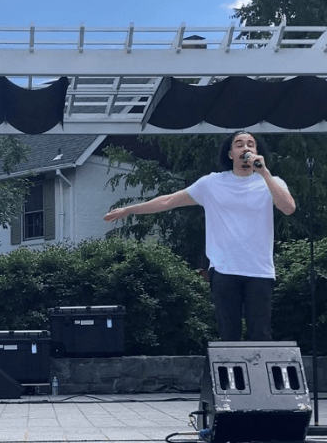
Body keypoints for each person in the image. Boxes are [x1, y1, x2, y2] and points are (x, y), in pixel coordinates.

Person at [103, 131, 296, 342]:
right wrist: (129, 210)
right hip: (224, 269)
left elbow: (288, 208)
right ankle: (230, 376)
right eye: (239, 144)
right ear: (231, 154)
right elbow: (169, 201)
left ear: (257, 152)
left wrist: (265, 173)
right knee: (228, 336)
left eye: (251, 144)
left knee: (261, 335)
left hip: (260, 270)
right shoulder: (212, 183)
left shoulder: (272, 182)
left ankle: (260, 376)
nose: (246, 148)